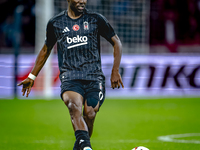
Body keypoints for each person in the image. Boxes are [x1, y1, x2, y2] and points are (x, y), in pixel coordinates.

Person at [17, 0, 124, 150]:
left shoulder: (95, 19)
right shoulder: (56, 23)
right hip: (70, 77)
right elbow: (45, 49)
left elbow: (117, 42)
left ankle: (80, 147)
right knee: (74, 106)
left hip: (94, 77)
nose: (82, 1)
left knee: (90, 113)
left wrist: (115, 70)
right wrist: (32, 76)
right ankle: (87, 147)